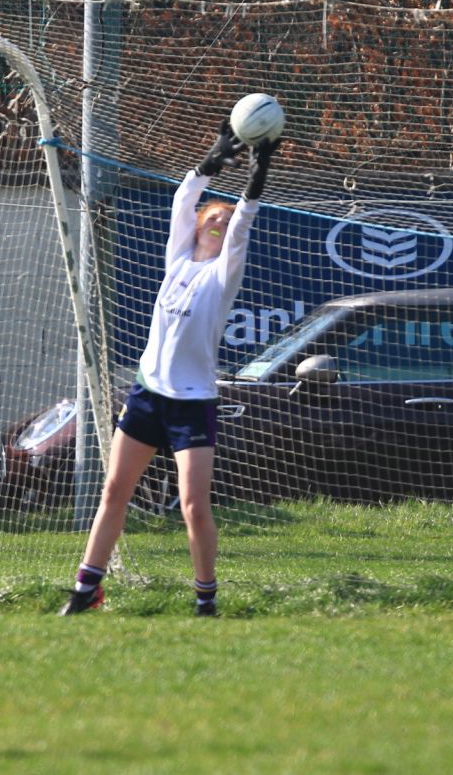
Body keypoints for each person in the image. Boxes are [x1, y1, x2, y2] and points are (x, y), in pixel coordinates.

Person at [60, 122, 280, 618]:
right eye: (212, 216)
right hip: (147, 394)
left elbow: (244, 219)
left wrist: (258, 171)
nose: (219, 221)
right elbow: (184, 200)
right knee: (115, 491)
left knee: (193, 508)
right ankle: (86, 589)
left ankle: (206, 600)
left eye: (224, 220)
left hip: (192, 403)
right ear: (200, 225)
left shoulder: (222, 276)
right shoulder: (177, 261)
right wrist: (213, 158)